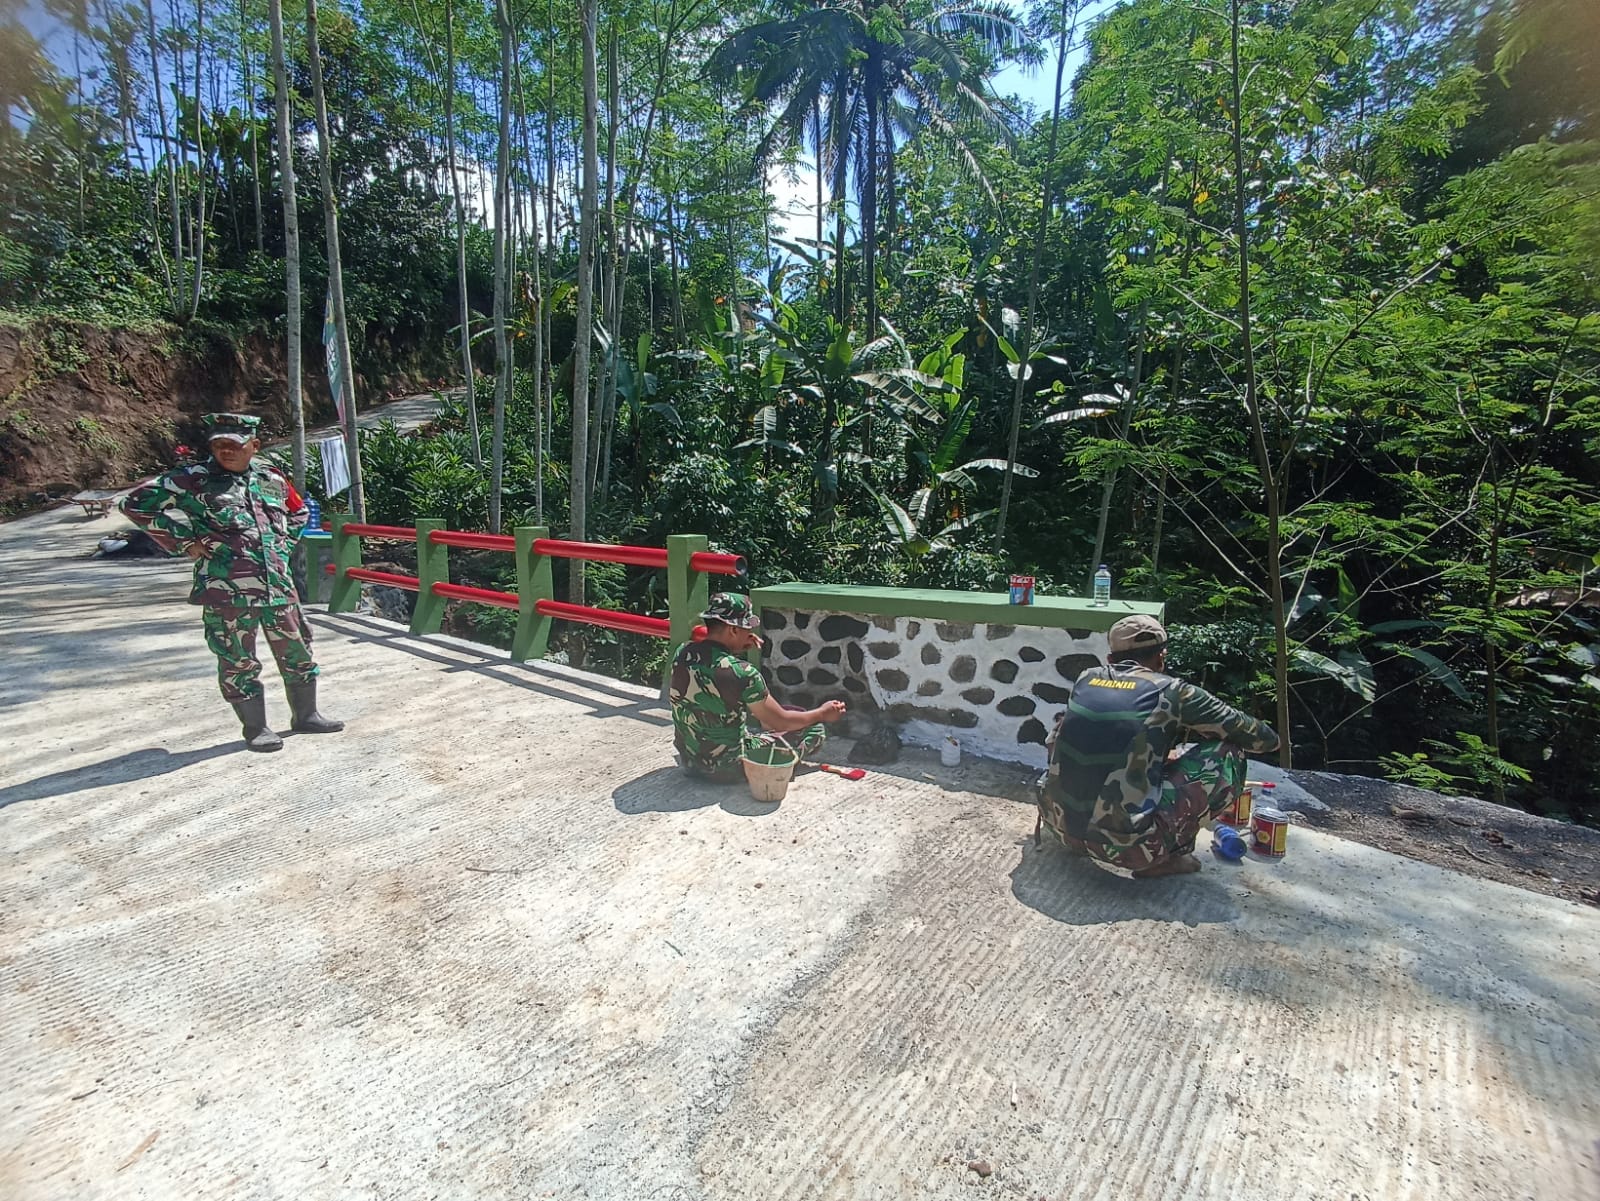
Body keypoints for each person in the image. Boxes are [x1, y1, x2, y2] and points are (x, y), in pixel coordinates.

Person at [119, 413, 343, 752]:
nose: (226, 451)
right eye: (219, 445)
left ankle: (306, 715)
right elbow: (135, 505)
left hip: (278, 587)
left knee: (298, 651)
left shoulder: (271, 478)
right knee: (237, 659)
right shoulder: (193, 479)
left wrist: (282, 543)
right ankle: (255, 728)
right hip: (227, 591)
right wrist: (184, 542)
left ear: (253, 445)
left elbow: (297, 511)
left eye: (234, 445)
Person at [1039, 614, 1279, 878]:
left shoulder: (1086, 679)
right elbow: (1263, 740)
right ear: (1161, 658)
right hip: (1131, 849)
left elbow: (1061, 744)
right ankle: (1165, 858)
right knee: (1227, 754)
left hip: (1059, 829)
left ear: (1110, 659)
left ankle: (1081, 834)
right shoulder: (1173, 691)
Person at [669, 593, 846, 782]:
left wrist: (736, 647)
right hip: (729, 769)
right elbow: (781, 721)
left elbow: (716, 667)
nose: (750, 633)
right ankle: (773, 768)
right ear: (733, 630)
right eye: (746, 628)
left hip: (690, 763)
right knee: (814, 729)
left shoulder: (682, 652)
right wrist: (823, 712)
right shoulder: (743, 672)